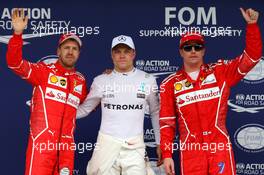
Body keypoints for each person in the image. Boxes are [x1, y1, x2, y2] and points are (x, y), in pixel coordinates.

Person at [159, 8, 262, 175]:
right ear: (180, 51)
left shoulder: (220, 72)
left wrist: (252, 26)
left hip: (219, 147)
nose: (193, 50)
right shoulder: (169, 84)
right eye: (188, 47)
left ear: (204, 50)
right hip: (191, 151)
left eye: (197, 47)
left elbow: (251, 57)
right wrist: (167, 155)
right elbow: (167, 123)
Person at [6, 9, 87, 175]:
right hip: (42, 144)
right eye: (66, 48)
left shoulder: (81, 80)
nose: (70, 52)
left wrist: (111, 76)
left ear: (79, 53)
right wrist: (17, 34)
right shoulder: (44, 71)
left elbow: (91, 101)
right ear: (58, 51)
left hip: (66, 148)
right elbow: (15, 63)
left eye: (74, 48)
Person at [77, 35, 161, 175]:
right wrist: (56, 113)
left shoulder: (148, 80)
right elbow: (85, 109)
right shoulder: (101, 80)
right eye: (117, 51)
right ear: (112, 55)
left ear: (133, 53)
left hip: (135, 146)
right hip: (106, 145)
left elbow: (155, 112)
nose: (122, 55)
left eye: (126, 51)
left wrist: (159, 142)